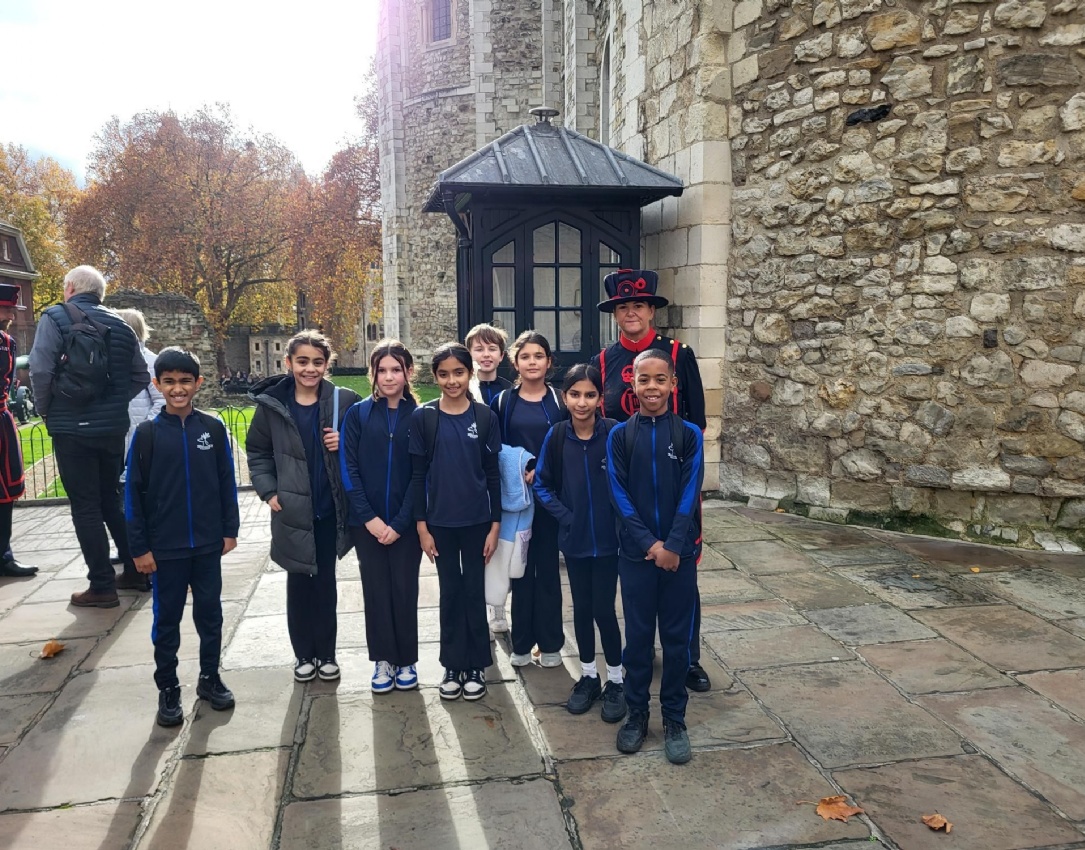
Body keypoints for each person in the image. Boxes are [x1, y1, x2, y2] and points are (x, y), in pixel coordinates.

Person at [591, 268, 712, 694]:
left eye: (637, 305)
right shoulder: (603, 361)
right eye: (622, 307)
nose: (630, 313)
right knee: (637, 576)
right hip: (627, 483)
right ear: (615, 313)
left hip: (674, 478)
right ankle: (637, 659)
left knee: (681, 571)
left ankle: (689, 658)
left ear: (650, 310)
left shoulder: (679, 354)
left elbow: (695, 420)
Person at [124, 347, 240, 727]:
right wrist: (139, 547)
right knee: (167, 620)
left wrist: (229, 529)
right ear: (157, 385)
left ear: (198, 384)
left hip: (207, 544)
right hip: (166, 548)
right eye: (169, 381)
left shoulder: (212, 428)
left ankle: (209, 677)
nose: (177, 388)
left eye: (185, 381)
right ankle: (168, 687)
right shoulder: (147, 436)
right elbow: (133, 496)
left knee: (211, 614)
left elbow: (226, 482)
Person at [29, 265, 150, 608]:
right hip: (112, 429)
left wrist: (47, 409)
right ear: (100, 294)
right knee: (111, 498)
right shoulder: (123, 326)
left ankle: (101, 586)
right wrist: (113, 403)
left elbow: (40, 368)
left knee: (85, 506)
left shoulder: (54, 317)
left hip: (71, 428)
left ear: (69, 287)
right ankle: (136, 571)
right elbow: (141, 377)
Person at [246, 330, 360, 683]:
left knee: (324, 583)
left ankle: (326, 653)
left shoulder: (345, 401)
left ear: (327, 365)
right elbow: (258, 452)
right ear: (289, 363)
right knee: (298, 584)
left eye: (317, 362)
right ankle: (303, 655)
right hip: (291, 510)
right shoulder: (272, 407)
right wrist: (269, 492)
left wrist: (345, 442)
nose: (310, 369)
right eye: (302, 362)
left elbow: (365, 447)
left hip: (328, 509)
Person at [607, 349, 704, 764]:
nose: (652, 387)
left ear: (672, 384)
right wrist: (650, 545)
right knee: (639, 640)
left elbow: (690, 493)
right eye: (644, 380)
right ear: (633, 385)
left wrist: (674, 546)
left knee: (678, 642)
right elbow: (619, 494)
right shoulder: (619, 437)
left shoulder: (688, 435)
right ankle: (637, 715)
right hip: (637, 556)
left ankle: (674, 718)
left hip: (678, 556)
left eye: (660, 380)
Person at [533, 364, 626, 723]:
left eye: (590, 395)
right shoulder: (557, 436)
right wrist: (566, 516)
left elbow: (629, 482)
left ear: (600, 398)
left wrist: (621, 522)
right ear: (565, 396)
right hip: (574, 541)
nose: (582, 402)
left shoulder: (614, 433)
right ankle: (588, 675)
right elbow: (542, 483)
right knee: (582, 610)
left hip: (608, 542)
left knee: (604, 609)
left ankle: (615, 680)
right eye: (575, 394)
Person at [410, 343, 501, 701]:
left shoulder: (484, 417)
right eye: (444, 374)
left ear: (470, 374)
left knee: (474, 591)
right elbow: (417, 476)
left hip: (478, 521)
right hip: (440, 524)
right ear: (435, 376)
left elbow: (493, 475)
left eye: (459, 373)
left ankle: (477, 662)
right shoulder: (424, 418)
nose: (452, 381)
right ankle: (452, 663)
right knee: (450, 592)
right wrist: (421, 526)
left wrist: (495, 526)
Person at [340, 339, 422, 693]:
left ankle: (406, 658)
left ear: (408, 373)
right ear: (372, 373)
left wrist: (401, 522)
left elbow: (422, 473)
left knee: (404, 589)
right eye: (382, 370)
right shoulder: (357, 414)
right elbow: (348, 468)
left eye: (396, 370)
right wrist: (369, 518)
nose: (389, 377)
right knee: (376, 590)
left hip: (405, 524)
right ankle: (383, 659)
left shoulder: (420, 416)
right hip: (367, 523)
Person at [491, 331, 567, 668]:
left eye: (539, 356)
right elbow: (498, 449)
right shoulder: (504, 402)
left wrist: (544, 469)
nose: (532, 362)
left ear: (549, 362)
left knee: (547, 571)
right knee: (519, 570)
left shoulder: (562, 400)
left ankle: (551, 645)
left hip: (550, 499)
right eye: (525, 356)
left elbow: (569, 445)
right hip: (518, 502)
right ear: (515, 362)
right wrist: (520, 466)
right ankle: (521, 644)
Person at [112, 309, 166, 588]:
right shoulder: (116, 361)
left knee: (138, 502)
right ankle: (131, 554)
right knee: (123, 502)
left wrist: (142, 431)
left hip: (139, 443)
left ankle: (144, 563)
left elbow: (160, 401)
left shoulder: (149, 361)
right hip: (119, 441)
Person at [0, 284, 36, 578]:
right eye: (7, 308)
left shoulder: (8, 341)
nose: (12, 312)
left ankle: (3, 554)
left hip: (2, 419)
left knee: (6, 493)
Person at [466, 322, 512, 406]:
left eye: (492, 349)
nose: (486, 354)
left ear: (501, 355)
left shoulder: (510, 391)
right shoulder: (464, 390)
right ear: (469, 354)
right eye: (479, 349)